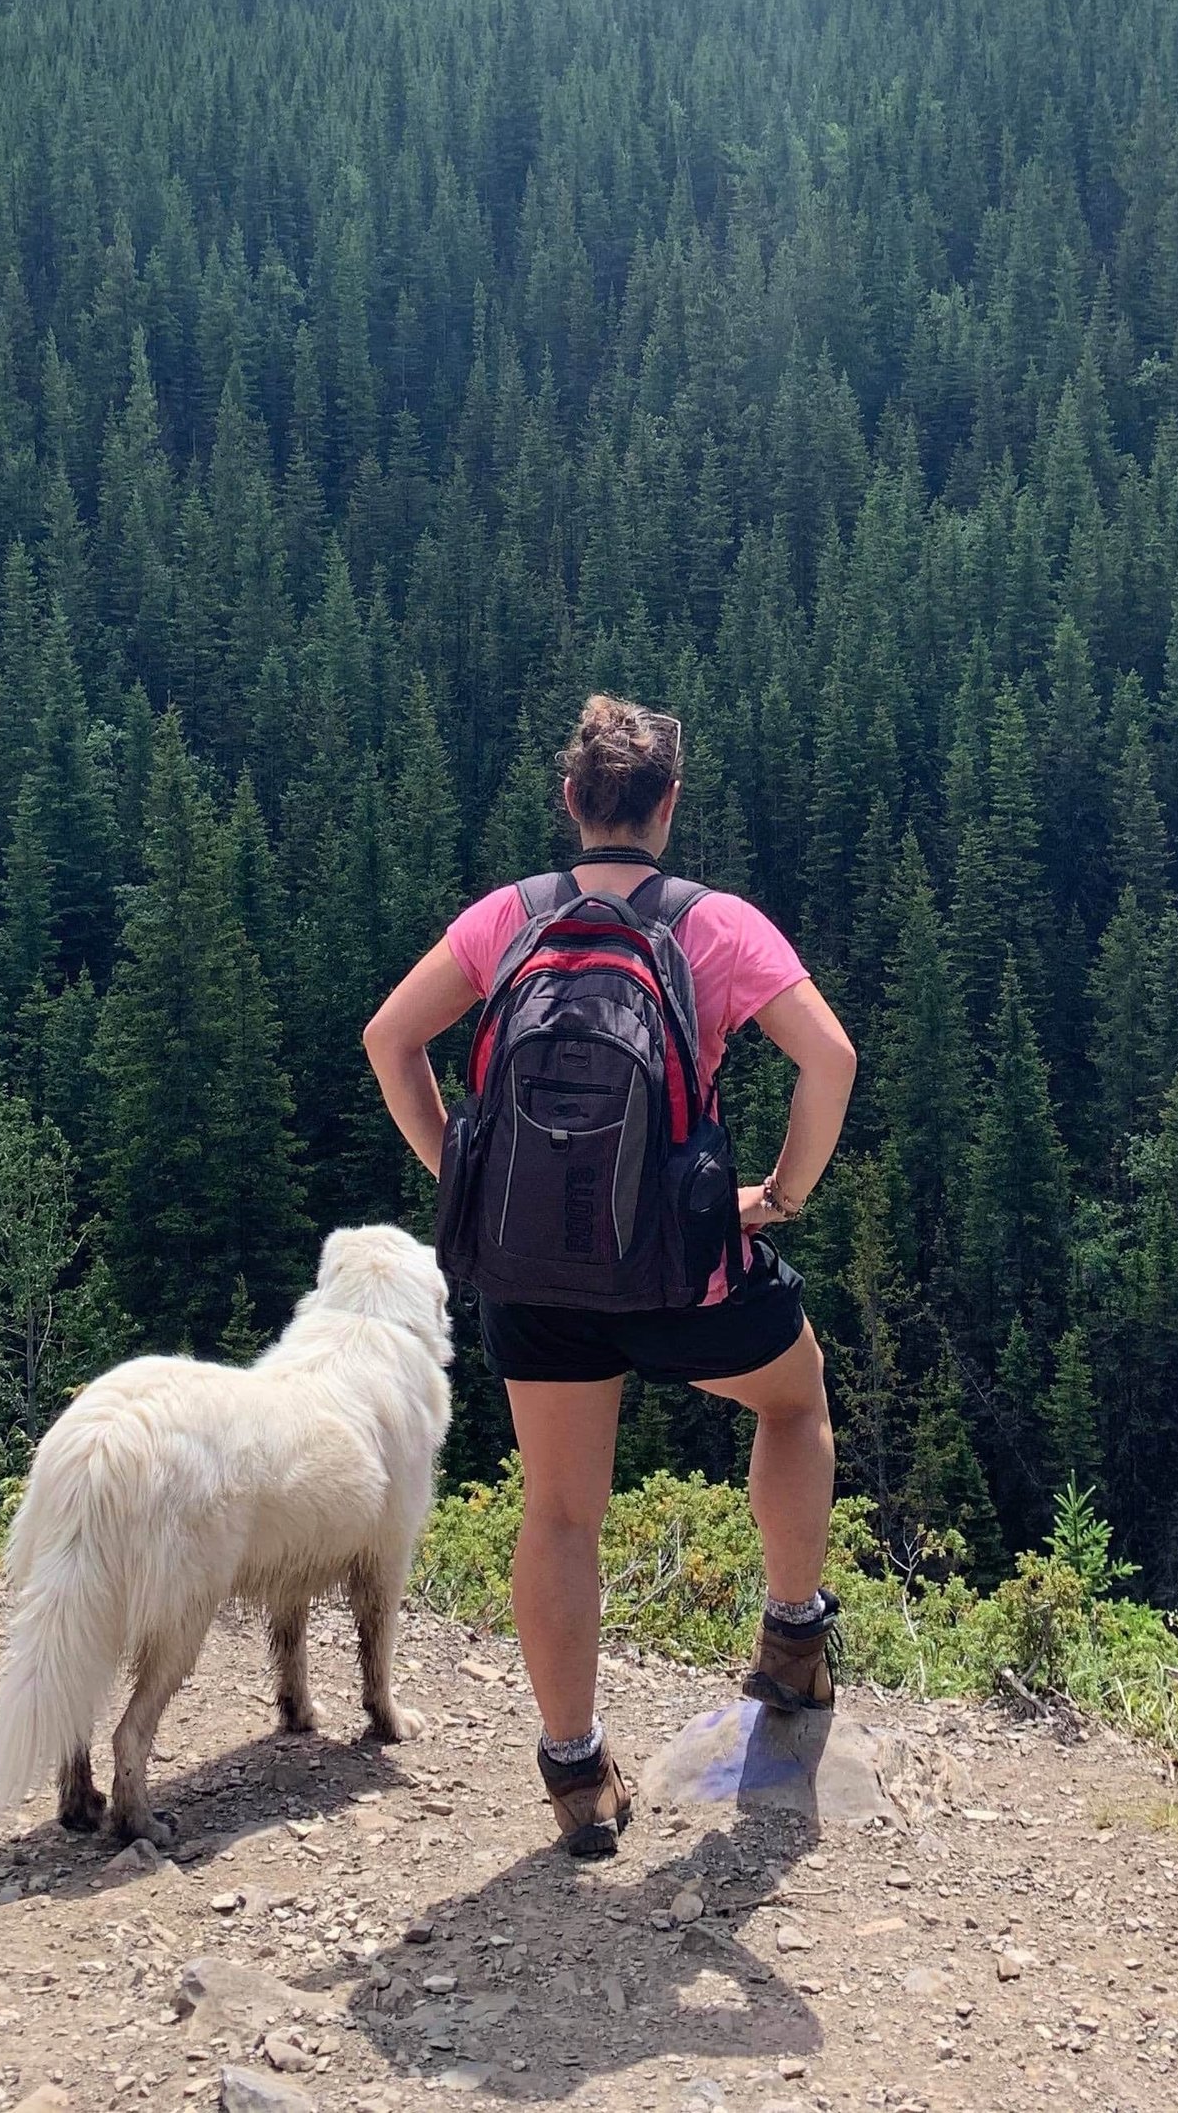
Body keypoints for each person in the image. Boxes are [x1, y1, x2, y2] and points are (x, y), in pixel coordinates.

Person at [364, 695, 857, 1854]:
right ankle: (791, 1640)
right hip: (684, 1269)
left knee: (561, 1511)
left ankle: (577, 1775)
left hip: (531, 1278)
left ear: (571, 801)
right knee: (793, 1398)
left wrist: (460, 1174)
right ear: (667, 806)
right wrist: (781, 1196)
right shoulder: (717, 927)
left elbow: (389, 1039)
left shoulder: (508, 920)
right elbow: (829, 1058)